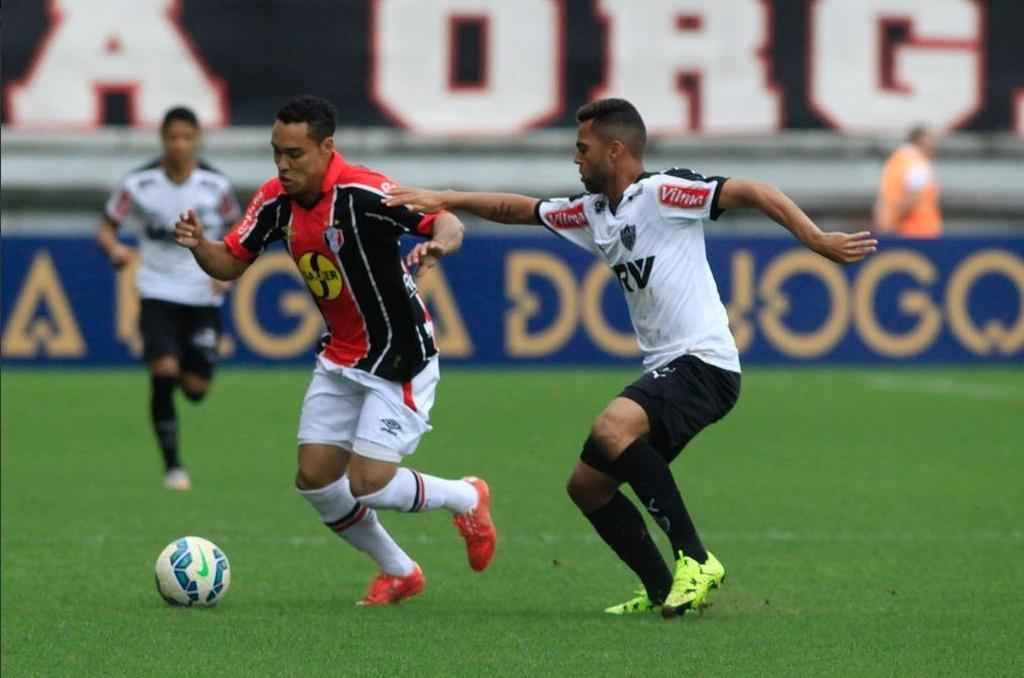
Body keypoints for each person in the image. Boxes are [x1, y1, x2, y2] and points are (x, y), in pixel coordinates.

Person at [384, 98, 876, 618]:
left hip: (704, 364)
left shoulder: (663, 193)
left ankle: (697, 559)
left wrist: (815, 238)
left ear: (614, 149)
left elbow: (752, 190)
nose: (576, 158)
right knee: (588, 487)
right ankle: (664, 590)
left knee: (613, 427)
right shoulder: (594, 211)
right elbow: (519, 209)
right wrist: (446, 197)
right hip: (671, 369)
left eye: (583, 147)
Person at [173, 95, 496, 606]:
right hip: (343, 354)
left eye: (295, 154)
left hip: (399, 355)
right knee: (316, 479)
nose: (283, 164)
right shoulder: (275, 200)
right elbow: (231, 263)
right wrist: (198, 245)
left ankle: (466, 495)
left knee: (367, 482)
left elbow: (446, 221)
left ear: (327, 148)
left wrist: (439, 245)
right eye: (277, 152)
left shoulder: (364, 193)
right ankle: (400, 571)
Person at [97, 106, 241, 491]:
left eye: (186, 137)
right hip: (156, 291)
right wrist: (116, 251)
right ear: (163, 140)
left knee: (195, 390)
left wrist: (225, 275)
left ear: (196, 140)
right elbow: (107, 229)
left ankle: (182, 369)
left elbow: (239, 230)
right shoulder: (138, 184)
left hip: (201, 295)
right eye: (172, 137)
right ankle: (173, 466)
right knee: (162, 370)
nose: (179, 144)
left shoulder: (216, 186)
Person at [873, 125, 942, 237]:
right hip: (918, 232)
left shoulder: (895, 160)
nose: (935, 145)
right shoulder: (917, 163)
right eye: (931, 140)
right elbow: (912, 197)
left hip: (900, 230)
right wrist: (892, 223)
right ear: (921, 139)